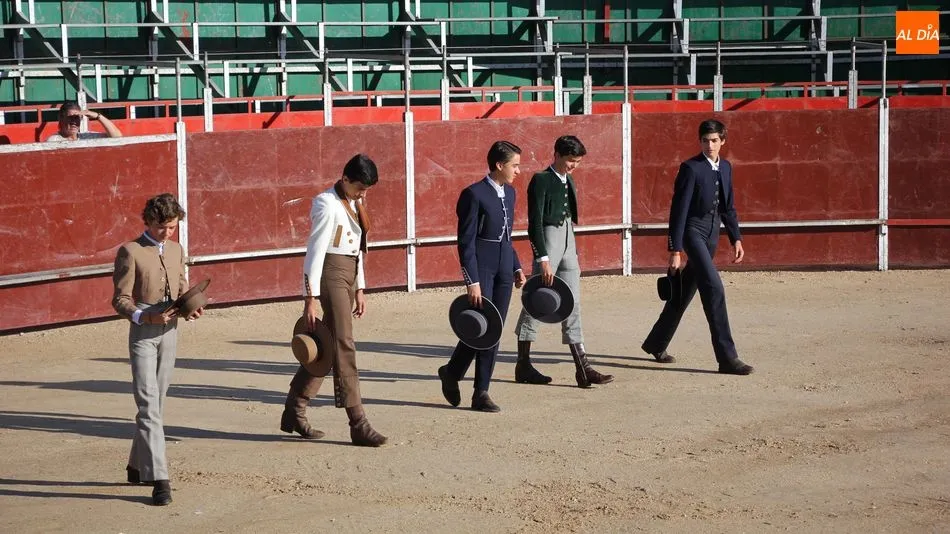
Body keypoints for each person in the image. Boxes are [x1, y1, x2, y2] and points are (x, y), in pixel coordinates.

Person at [280, 153, 387, 447]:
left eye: (366, 190)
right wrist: (310, 296)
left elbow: (358, 249)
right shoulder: (326, 203)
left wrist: (361, 287)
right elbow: (315, 251)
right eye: (359, 188)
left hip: (348, 274)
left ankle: (294, 408)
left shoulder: (354, 201)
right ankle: (358, 422)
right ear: (345, 179)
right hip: (330, 274)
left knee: (327, 346)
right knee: (344, 344)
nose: (363, 194)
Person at [640, 119, 754, 375]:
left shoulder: (725, 167)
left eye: (714, 140)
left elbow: (728, 206)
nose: (710, 145)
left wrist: (736, 237)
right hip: (692, 232)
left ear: (722, 141)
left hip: (712, 234)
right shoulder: (690, 168)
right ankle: (727, 358)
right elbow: (678, 211)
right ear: (700, 141)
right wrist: (675, 249)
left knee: (683, 292)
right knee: (714, 288)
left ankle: (656, 343)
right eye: (705, 140)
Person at [112, 193, 202, 506]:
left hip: (170, 331)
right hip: (143, 333)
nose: (168, 232)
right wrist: (146, 316)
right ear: (149, 221)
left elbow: (179, 288)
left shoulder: (177, 250)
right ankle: (160, 478)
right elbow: (120, 300)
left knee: (157, 403)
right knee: (149, 405)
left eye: (173, 227)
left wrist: (191, 307)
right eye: (163, 227)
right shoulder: (130, 251)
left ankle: (136, 466)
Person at [512, 135, 614, 388]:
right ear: (556, 154)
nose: (573, 166)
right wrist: (542, 257)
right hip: (549, 238)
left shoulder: (569, 179)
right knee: (538, 299)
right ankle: (523, 364)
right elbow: (534, 221)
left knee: (573, 301)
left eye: (577, 162)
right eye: (570, 160)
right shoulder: (541, 179)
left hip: (568, 237)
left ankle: (583, 368)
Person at [438, 141, 527, 413]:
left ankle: (478, 389)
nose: (518, 171)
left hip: (502, 268)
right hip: (483, 268)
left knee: (494, 329)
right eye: (515, 165)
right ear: (499, 165)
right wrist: (472, 280)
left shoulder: (510, 194)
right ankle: (460, 377)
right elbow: (465, 242)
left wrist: (515, 265)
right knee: (480, 328)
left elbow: (508, 236)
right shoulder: (473, 194)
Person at [46, 101, 122, 142]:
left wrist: (97, 116)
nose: (74, 122)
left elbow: (117, 137)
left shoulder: (86, 137)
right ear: (61, 118)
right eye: (70, 117)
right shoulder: (53, 141)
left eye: (77, 118)